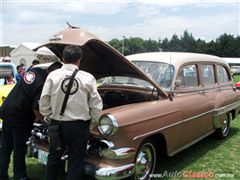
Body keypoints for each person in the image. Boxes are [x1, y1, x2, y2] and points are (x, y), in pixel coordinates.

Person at [40, 45, 103, 180]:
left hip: (57, 124)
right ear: (79, 60)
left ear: (63, 58)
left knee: (53, 159)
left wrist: (49, 117)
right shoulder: (88, 78)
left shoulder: (53, 75)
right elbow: (96, 106)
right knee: (76, 161)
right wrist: (91, 123)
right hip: (79, 126)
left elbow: (44, 101)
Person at [0, 62, 63, 180]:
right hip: (20, 116)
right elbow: (37, 109)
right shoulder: (44, 83)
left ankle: (2, 172)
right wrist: (46, 122)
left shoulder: (35, 71)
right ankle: (20, 176)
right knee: (19, 147)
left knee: (6, 145)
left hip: (7, 109)